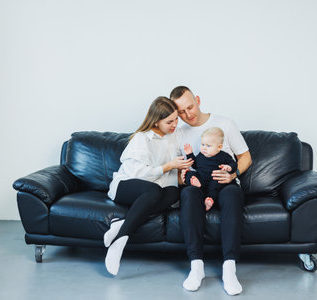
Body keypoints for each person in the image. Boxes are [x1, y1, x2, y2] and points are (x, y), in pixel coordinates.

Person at [170, 86, 252, 296]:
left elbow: (245, 157)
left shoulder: (225, 124)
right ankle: (196, 266)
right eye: (181, 112)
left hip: (224, 183)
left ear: (198, 100)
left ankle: (229, 269)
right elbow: (179, 168)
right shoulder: (178, 133)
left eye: (191, 107)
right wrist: (186, 178)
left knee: (232, 194)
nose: (188, 115)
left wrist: (232, 175)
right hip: (198, 183)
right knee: (188, 194)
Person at [104, 96, 193, 276]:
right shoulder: (141, 139)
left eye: (176, 119)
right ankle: (120, 242)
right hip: (126, 185)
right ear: (155, 122)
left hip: (154, 188)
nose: (175, 124)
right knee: (153, 191)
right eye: (169, 121)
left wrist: (181, 174)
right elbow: (137, 173)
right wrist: (169, 166)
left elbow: (170, 176)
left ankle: (121, 224)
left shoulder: (173, 136)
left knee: (174, 193)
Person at [182, 127, 237, 211]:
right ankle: (196, 183)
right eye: (203, 144)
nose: (204, 148)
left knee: (215, 185)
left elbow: (233, 164)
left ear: (219, 147)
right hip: (202, 178)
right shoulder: (201, 155)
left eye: (208, 146)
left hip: (215, 179)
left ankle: (209, 200)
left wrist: (229, 167)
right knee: (189, 173)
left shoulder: (223, 156)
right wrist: (190, 154)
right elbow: (195, 165)